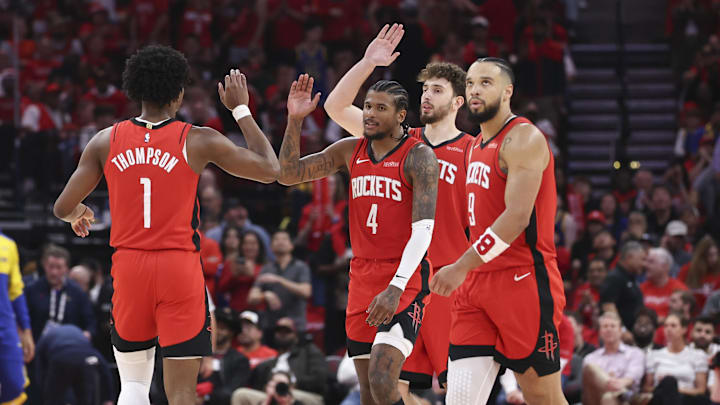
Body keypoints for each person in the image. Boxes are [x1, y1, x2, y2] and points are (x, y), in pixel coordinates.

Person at [52, 45, 280, 405]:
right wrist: (240, 109)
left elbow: (62, 207)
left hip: (129, 268)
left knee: (133, 387)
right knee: (181, 394)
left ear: (134, 91)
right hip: (178, 268)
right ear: (179, 93)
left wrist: (79, 212)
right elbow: (270, 170)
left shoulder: (104, 141)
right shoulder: (197, 138)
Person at [279, 24, 440, 405]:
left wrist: (397, 286)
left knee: (385, 381)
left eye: (379, 108)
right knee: (368, 393)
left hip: (405, 280)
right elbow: (287, 175)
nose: (368, 114)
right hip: (361, 277)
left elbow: (423, 231)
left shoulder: (419, 155)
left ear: (402, 115)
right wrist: (295, 120)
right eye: (367, 106)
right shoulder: (349, 150)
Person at [325, 30, 472, 395]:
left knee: (460, 393)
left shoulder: (475, 150)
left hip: (449, 285)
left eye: (437, 90)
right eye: (425, 89)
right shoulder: (396, 138)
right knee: (393, 389)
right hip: (404, 285)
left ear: (459, 102)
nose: (427, 95)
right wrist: (368, 63)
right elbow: (335, 108)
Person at [430, 57, 566, 405]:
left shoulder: (523, 138)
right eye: (471, 82)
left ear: (508, 91)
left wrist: (460, 265)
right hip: (475, 284)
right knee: (460, 400)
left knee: (543, 398)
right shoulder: (474, 145)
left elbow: (516, 218)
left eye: (486, 82)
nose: (475, 89)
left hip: (522, 282)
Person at [25, 245, 97, 343]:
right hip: (37, 346)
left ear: (66, 268)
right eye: (51, 267)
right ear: (44, 265)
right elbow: (23, 318)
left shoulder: (77, 293)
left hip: (69, 346)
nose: (54, 272)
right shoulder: (31, 290)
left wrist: (87, 334)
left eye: (59, 267)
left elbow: (90, 322)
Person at [248, 230, 312, 332]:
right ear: (271, 247)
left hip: (295, 326)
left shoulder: (301, 267)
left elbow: (306, 292)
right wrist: (265, 295)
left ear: (292, 245)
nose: (280, 242)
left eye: (284, 239)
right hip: (271, 325)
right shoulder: (266, 269)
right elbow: (251, 298)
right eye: (276, 239)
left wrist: (279, 280)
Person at [34, 324, 114, 405]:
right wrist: (108, 398)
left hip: (59, 358)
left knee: (53, 399)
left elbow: (40, 370)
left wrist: (45, 390)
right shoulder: (77, 332)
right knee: (84, 399)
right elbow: (104, 367)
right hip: (83, 359)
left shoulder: (45, 337)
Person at [643, 313, 709, 405]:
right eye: (666, 326)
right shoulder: (654, 355)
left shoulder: (697, 355)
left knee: (670, 383)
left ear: (684, 329)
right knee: (668, 382)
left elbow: (701, 390)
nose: (668, 329)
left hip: (686, 399)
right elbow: (647, 388)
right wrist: (666, 387)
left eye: (673, 326)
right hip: (660, 399)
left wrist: (675, 389)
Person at [581, 311, 645, 405]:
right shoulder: (590, 358)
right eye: (605, 326)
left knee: (609, 398)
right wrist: (610, 382)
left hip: (624, 402)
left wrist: (620, 383)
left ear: (620, 331)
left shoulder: (635, 353)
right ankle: (622, 393)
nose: (609, 329)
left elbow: (633, 377)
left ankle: (621, 394)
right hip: (595, 400)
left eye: (612, 326)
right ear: (600, 332)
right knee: (590, 367)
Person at [0, 232, 34, 405]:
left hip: (5, 331)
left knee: (13, 385)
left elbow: (16, 292)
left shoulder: (7, 245)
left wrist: (26, 331)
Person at [195, 308, 251, 405]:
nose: (218, 331)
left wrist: (207, 397)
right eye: (216, 327)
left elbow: (232, 391)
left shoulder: (240, 360)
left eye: (223, 328)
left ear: (232, 332)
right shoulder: (198, 353)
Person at [599, 241, 646, 331]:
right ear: (629, 257)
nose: (643, 264)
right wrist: (622, 330)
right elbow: (608, 306)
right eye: (642, 259)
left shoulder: (630, 277)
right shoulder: (614, 277)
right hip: (618, 336)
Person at [640, 247, 688, 323]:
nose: (646, 265)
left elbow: (684, 316)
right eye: (646, 261)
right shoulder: (641, 288)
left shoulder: (679, 288)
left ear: (665, 266)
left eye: (651, 262)